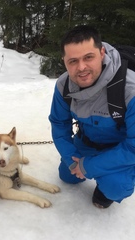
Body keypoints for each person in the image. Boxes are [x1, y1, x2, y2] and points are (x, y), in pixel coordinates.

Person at [49, 25, 135, 209]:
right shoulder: (63, 86)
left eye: (88, 57)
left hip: (120, 150)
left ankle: (117, 178)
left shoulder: (130, 90)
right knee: (67, 176)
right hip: (87, 141)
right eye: (73, 61)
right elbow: (58, 123)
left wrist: (89, 166)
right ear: (64, 61)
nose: (81, 68)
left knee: (115, 187)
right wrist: (72, 158)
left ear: (102, 52)